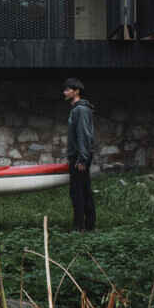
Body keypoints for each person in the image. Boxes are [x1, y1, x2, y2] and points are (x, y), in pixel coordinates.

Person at [63, 77, 96, 232]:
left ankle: (80, 228)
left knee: (78, 192)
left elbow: (83, 134)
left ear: (76, 91)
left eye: (68, 89)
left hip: (79, 157)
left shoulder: (80, 110)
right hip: (80, 155)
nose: (65, 92)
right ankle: (88, 226)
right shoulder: (79, 109)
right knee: (83, 190)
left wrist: (82, 158)